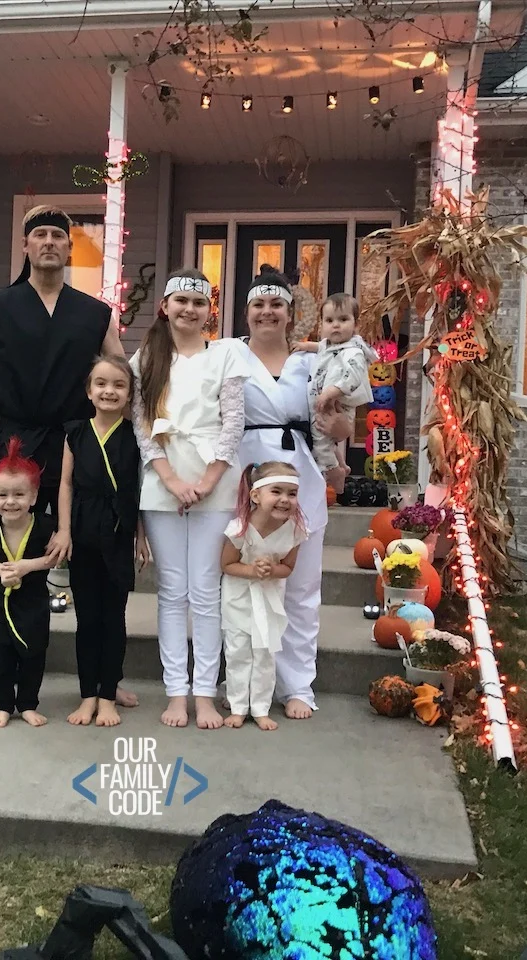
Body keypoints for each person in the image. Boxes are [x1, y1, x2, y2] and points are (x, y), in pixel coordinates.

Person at [0, 204, 137, 715]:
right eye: (40, 235)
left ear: (70, 248)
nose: (49, 242)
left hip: (81, 445)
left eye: (58, 235)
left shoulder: (96, 313)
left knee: (96, 564)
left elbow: (119, 377)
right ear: (26, 247)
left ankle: (103, 679)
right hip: (15, 446)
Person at [223, 266, 352, 720]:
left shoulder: (314, 363)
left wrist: (338, 438)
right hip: (243, 479)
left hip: (300, 477)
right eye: (258, 304)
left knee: (299, 586)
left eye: (276, 304)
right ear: (246, 313)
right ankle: (241, 682)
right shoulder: (227, 355)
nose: (267, 312)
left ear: (290, 314)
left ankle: (298, 685)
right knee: (240, 585)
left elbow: (343, 423)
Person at [130, 268, 247, 730]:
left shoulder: (225, 357)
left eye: (198, 303)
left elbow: (233, 422)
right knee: (172, 591)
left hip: (213, 481)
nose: (189, 309)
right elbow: (141, 426)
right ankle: (175, 691)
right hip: (163, 481)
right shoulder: (147, 359)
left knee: (205, 591)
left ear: (208, 311)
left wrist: (208, 478)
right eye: (181, 300)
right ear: (166, 306)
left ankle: (205, 693)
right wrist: (171, 479)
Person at [56, 355, 150, 728]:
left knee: (114, 618)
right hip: (82, 529)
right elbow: (65, 484)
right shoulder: (75, 432)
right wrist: (64, 531)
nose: (109, 391)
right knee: (88, 619)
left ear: (129, 393)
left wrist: (142, 536)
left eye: (119, 385)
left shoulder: (135, 436)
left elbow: (139, 490)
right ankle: (88, 695)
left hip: (118, 529)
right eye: (101, 384)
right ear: (89, 391)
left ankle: (108, 694)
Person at [0, 439, 57, 728]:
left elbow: (53, 559)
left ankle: (28, 703)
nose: (11, 501)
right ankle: (4, 705)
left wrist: (28, 566)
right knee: (0, 656)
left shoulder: (44, 526)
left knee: (33, 654)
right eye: (2, 495)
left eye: (19, 494)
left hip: (33, 603)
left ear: (34, 495)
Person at [220, 462, 308, 732]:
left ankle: (260, 707)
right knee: (238, 652)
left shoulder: (294, 531)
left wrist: (273, 570)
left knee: (265, 653)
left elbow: (288, 567)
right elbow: (227, 565)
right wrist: (251, 570)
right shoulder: (239, 529)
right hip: (239, 599)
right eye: (277, 492)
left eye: (291, 494)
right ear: (256, 495)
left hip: (270, 600)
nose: (285, 500)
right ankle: (237, 706)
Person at [293, 293, 377, 494]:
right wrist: (305, 346)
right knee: (326, 439)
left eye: (343, 320)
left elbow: (353, 376)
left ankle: (334, 473)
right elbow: (319, 347)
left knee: (320, 440)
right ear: (322, 325)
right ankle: (342, 463)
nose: (336, 325)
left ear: (356, 325)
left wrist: (332, 391)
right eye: (329, 320)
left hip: (337, 402)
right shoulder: (329, 345)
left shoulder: (353, 352)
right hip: (324, 402)